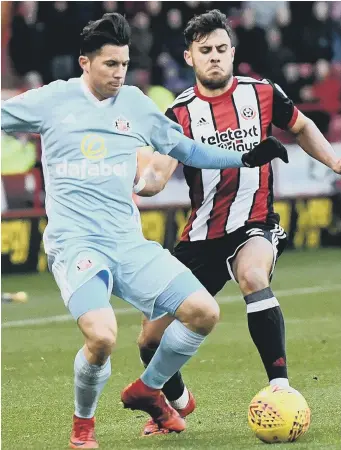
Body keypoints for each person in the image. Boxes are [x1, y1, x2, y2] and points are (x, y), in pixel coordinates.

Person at [1, 13, 288, 449]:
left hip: (128, 243)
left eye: (124, 64)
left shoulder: (135, 102)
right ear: (84, 62)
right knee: (102, 337)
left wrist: (245, 159)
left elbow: (185, 147)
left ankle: (149, 389)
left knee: (204, 313)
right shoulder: (51, 101)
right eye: (110, 64)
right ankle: (84, 428)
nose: (119, 74)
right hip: (76, 243)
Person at [134, 9, 341, 436]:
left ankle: (280, 388)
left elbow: (301, 126)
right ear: (189, 57)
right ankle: (177, 404)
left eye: (222, 49)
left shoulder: (263, 93)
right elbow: (158, 172)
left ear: (233, 51)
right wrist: (144, 183)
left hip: (255, 223)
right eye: (205, 50)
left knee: (252, 273)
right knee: (149, 340)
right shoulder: (179, 114)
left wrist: (335, 160)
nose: (215, 57)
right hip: (201, 235)